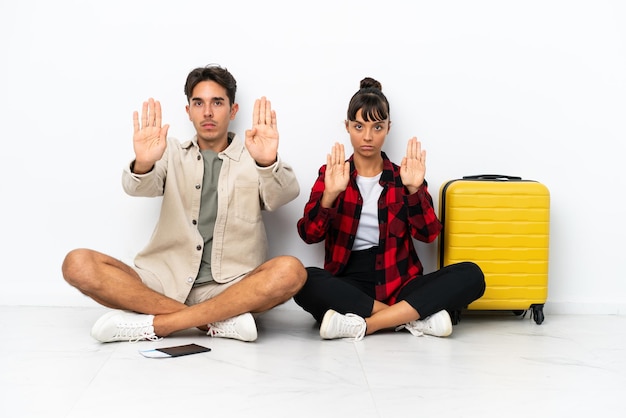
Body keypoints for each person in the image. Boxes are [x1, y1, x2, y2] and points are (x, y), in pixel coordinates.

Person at [62, 64, 306, 343]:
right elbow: (137, 187)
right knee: (77, 263)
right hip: (162, 282)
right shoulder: (171, 152)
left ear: (233, 110)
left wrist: (266, 161)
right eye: (198, 103)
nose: (208, 112)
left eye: (217, 102)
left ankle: (157, 325)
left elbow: (284, 195)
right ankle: (212, 322)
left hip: (231, 287)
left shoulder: (254, 154)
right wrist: (144, 162)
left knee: (292, 271)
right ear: (188, 111)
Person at [294, 77, 486, 341]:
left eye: (377, 127)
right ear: (347, 127)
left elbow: (429, 234)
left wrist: (413, 191)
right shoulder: (332, 174)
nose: (368, 136)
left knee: (471, 275)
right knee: (304, 280)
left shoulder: (403, 176)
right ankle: (411, 319)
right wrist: (330, 195)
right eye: (359, 126)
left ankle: (366, 324)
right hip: (350, 283)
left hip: (400, 282)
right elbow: (309, 235)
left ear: (388, 128)